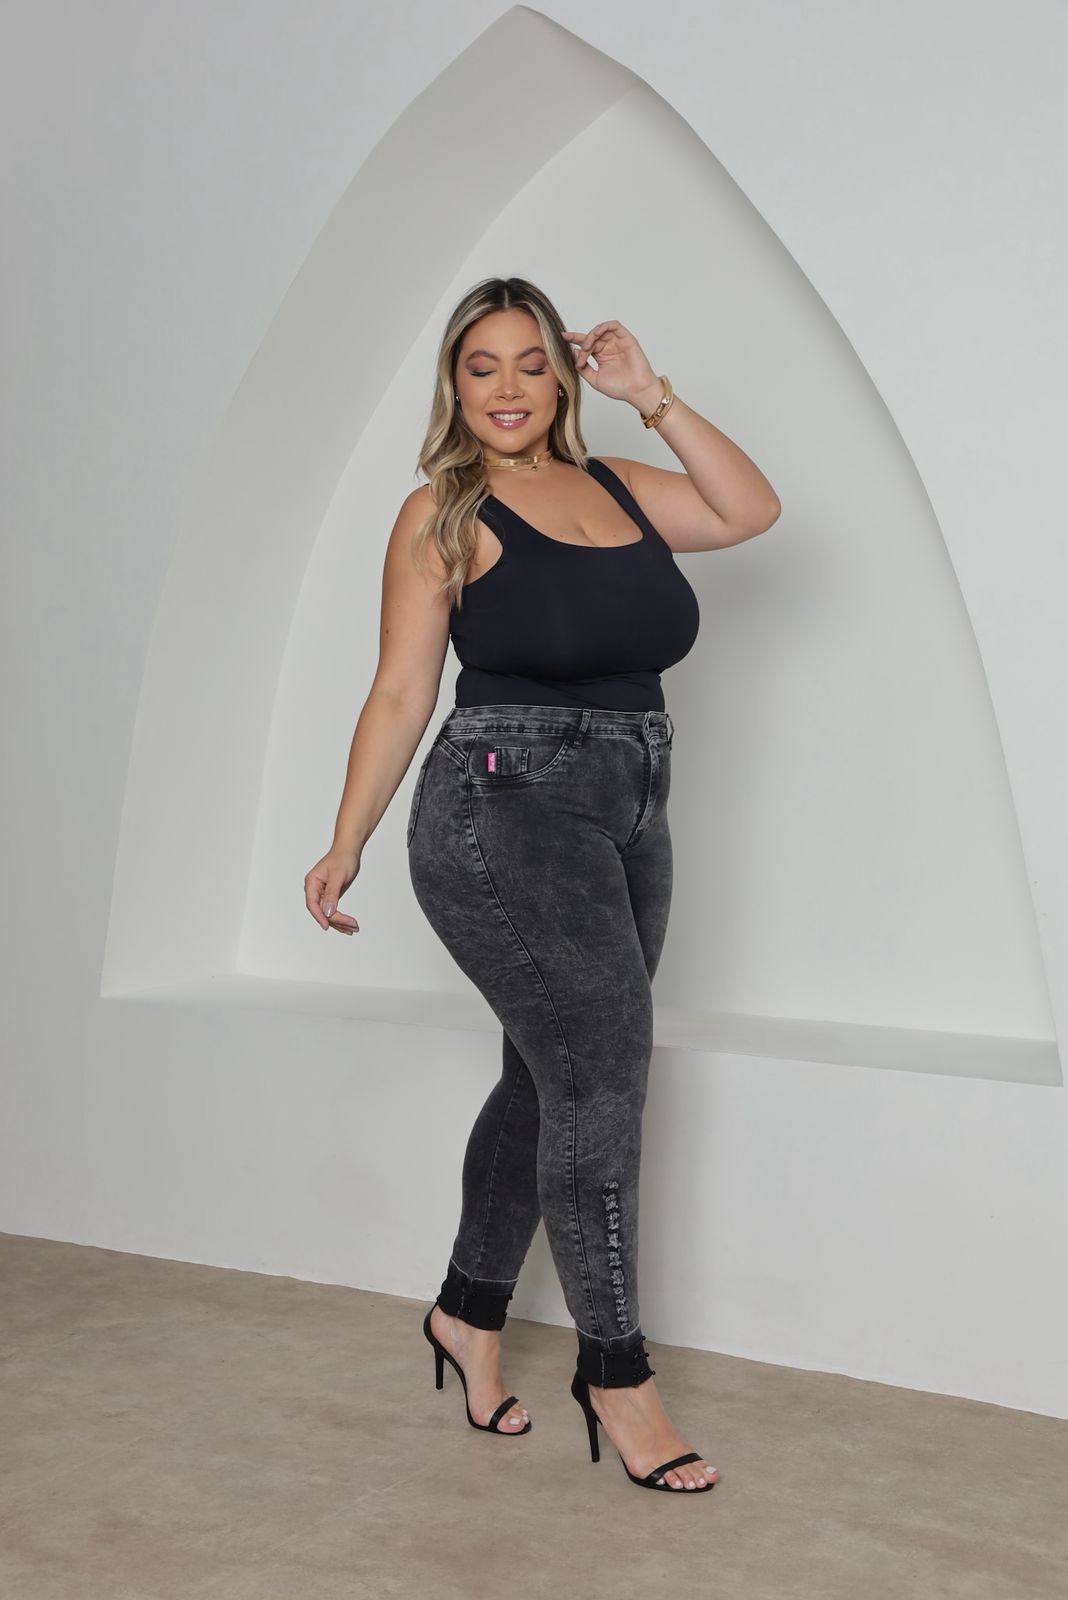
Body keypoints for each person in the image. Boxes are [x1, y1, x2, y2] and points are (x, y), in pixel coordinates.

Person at [304, 277, 780, 1493]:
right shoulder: (443, 510)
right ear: (454, 388)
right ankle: (615, 1372)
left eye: (531, 363)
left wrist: (652, 393)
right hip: (500, 805)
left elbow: (750, 508)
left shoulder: (620, 484)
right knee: (603, 1077)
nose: (508, 388)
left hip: (634, 802)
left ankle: (469, 1311)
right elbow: (400, 689)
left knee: (553, 1074)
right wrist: (346, 837)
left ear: (564, 379)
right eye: (483, 367)